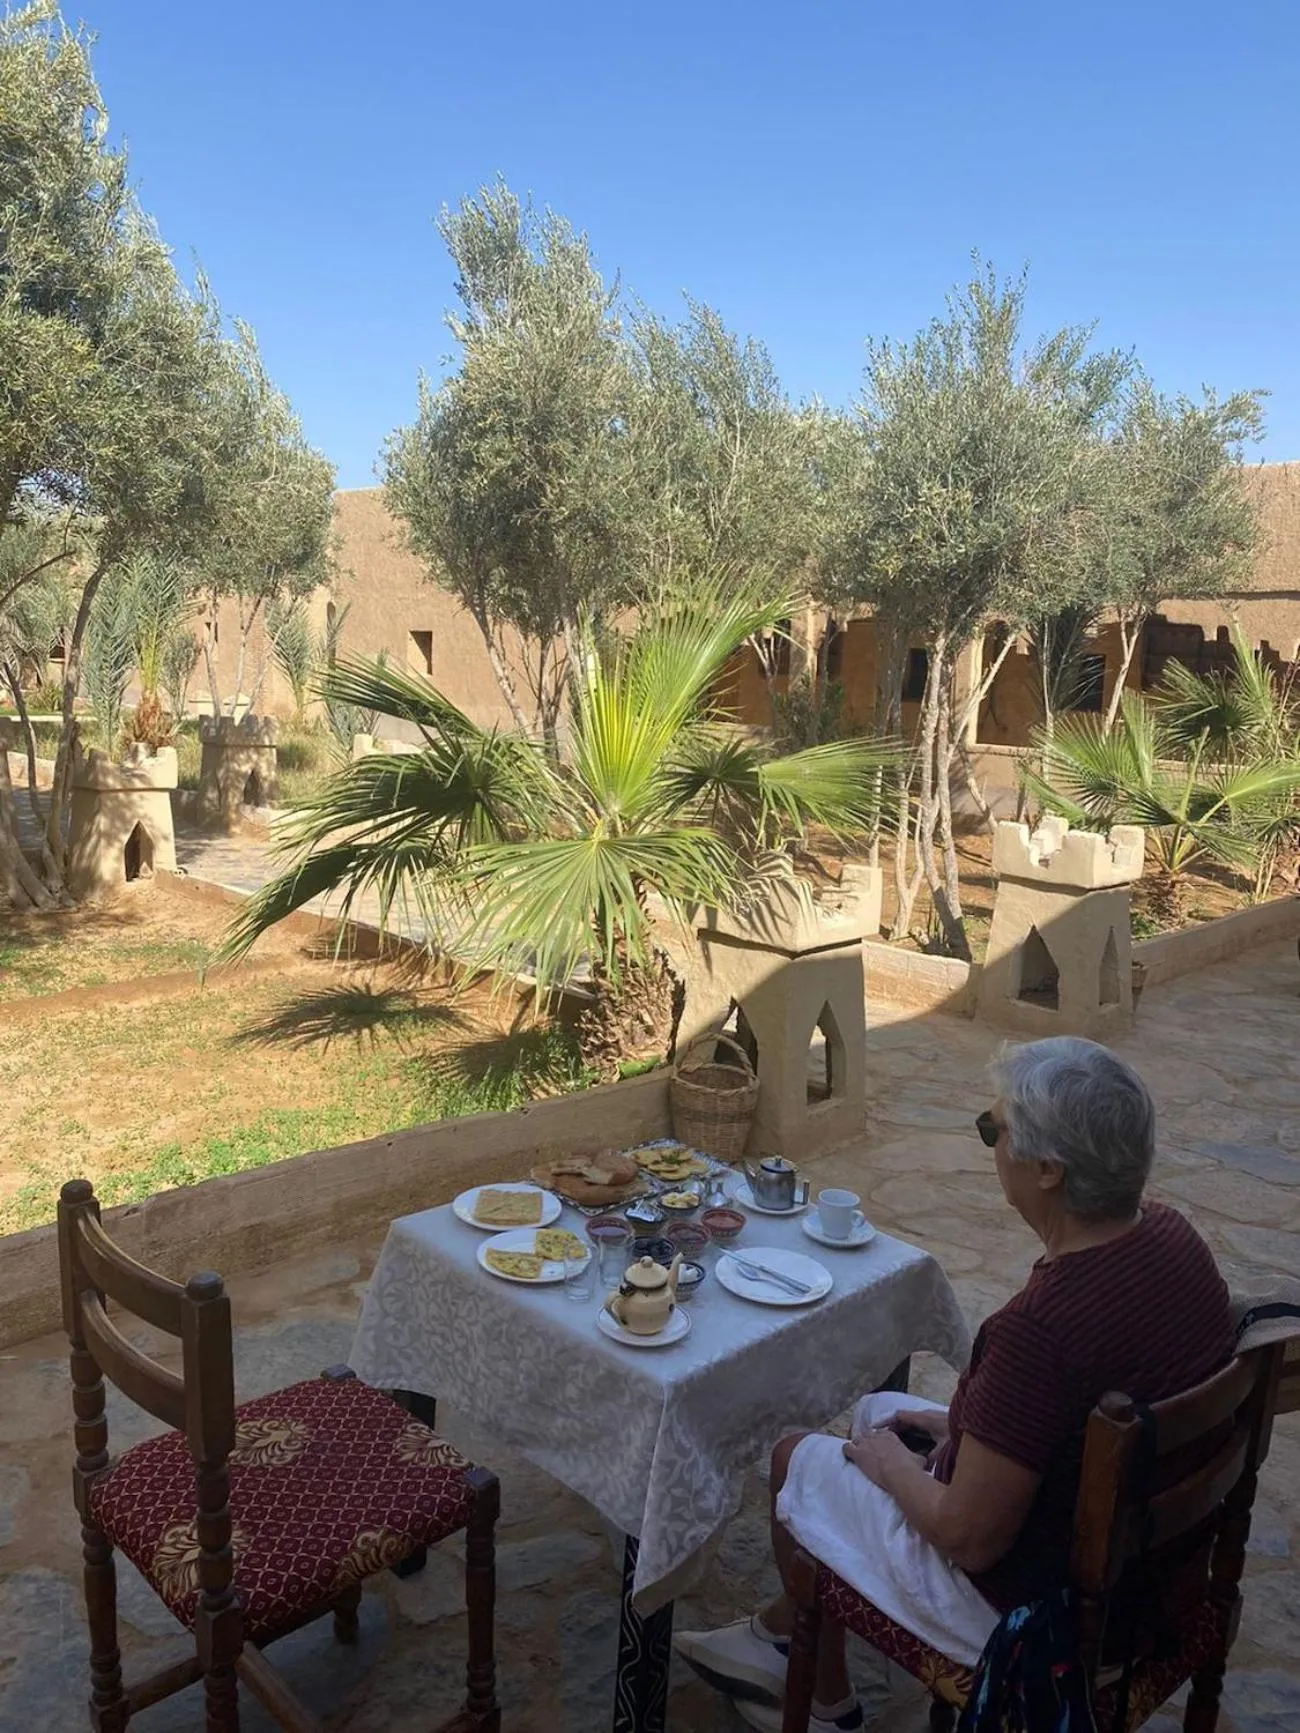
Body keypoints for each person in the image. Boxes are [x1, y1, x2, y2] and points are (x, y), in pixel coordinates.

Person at [675, 1036, 1235, 1733]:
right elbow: (1070, 1407)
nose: (990, 1145)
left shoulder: (1043, 1327)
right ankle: (780, 1633)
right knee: (881, 1411)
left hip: (1043, 1615)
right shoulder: (1170, 1235)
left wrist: (888, 1464)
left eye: (991, 1130)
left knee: (800, 1457)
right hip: (1156, 1577)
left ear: (1049, 1169)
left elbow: (968, 1538)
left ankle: (826, 1705)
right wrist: (964, 1427)